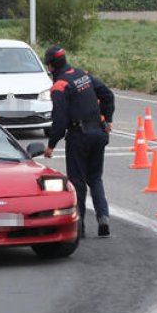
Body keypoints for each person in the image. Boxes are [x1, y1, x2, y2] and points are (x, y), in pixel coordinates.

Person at [42, 46, 115, 237]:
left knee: (78, 182)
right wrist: (108, 120)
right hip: (98, 133)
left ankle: (80, 227)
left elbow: (59, 120)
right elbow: (108, 95)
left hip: (79, 136)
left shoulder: (59, 86)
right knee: (95, 177)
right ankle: (103, 219)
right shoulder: (84, 74)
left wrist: (51, 144)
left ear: (50, 67)